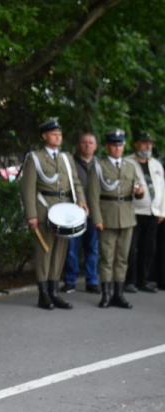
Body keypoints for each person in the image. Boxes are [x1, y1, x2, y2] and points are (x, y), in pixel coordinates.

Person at [20, 119, 88, 310]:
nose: (58, 136)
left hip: (65, 210)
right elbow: (28, 188)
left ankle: (54, 291)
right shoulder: (35, 158)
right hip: (44, 210)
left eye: (59, 133)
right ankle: (43, 294)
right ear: (44, 136)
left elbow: (75, 182)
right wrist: (31, 215)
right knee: (45, 252)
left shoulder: (66, 158)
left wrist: (81, 200)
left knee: (60, 252)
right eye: (53, 133)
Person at [87, 129, 144, 308]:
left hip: (127, 216)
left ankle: (118, 294)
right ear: (107, 146)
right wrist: (97, 218)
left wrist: (140, 193)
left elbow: (136, 191)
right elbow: (93, 196)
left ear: (123, 146)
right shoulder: (99, 166)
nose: (117, 148)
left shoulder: (130, 166)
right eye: (114, 145)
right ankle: (106, 294)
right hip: (107, 216)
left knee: (122, 257)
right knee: (107, 257)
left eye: (120, 145)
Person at [123, 132, 165, 294]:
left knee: (148, 248)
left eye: (150, 143)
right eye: (144, 143)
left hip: (152, 212)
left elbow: (162, 189)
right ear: (136, 145)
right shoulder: (127, 162)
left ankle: (144, 280)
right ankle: (130, 280)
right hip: (133, 211)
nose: (148, 146)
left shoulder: (156, 164)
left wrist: (162, 211)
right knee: (131, 248)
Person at [62, 133, 100, 293]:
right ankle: (70, 280)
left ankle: (92, 281)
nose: (87, 145)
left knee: (92, 249)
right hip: (74, 213)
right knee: (72, 249)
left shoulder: (99, 164)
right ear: (79, 144)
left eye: (90, 142)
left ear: (96, 146)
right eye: (84, 142)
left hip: (94, 213)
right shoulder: (70, 163)